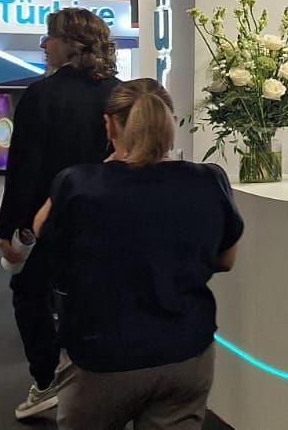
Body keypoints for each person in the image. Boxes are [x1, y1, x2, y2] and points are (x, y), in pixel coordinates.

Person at [32, 79, 242, 430]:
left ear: (110, 125)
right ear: (171, 122)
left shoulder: (79, 183)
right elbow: (226, 259)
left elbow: (42, 230)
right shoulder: (209, 179)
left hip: (102, 356)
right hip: (186, 352)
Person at [0, 8, 121, 420]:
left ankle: (47, 380)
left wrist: (10, 229)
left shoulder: (41, 95)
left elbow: (23, 170)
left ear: (68, 43)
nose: (44, 45)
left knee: (29, 294)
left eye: (48, 37)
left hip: (49, 220)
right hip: (109, 220)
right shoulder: (121, 94)